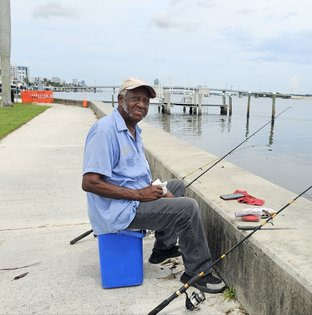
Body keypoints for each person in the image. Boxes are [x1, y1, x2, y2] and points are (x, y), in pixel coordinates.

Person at [81, 77, 226, 294]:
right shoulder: (104, 131)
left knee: (175, 186)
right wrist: (140, 194)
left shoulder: (133, 130)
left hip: (131, 201)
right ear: (120, 99)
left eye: (146, 101)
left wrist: (151, 189)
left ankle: (163, 249)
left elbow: (127, 174)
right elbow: (90, 182)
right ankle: (197, 271)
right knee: (187, 208)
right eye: (135, 99)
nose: (141, 105)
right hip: (117, 211)